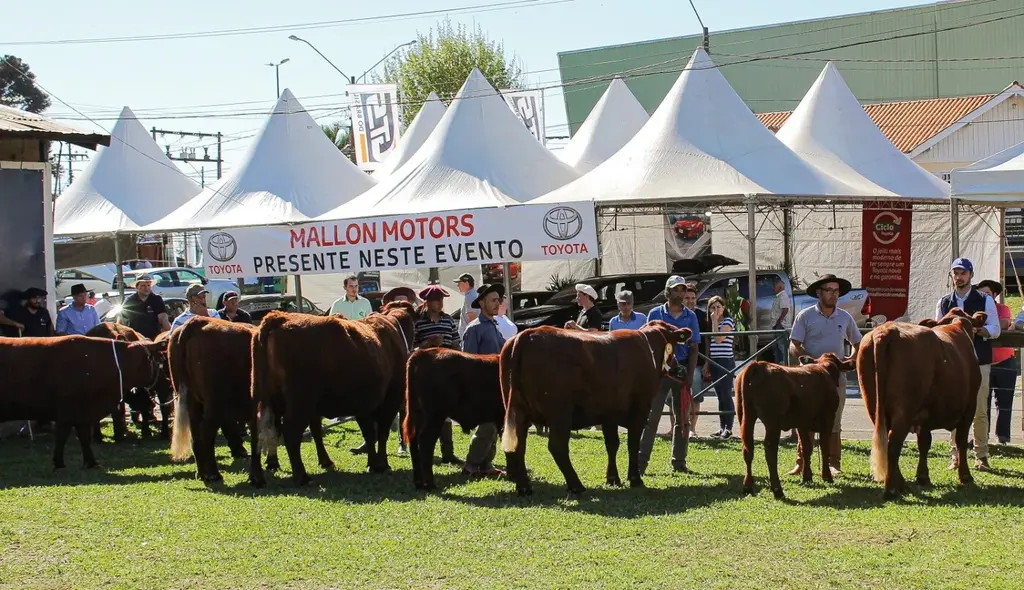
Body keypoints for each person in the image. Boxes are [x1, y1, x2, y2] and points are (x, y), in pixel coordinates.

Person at [789, 274, 862, 477]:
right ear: (819, 293)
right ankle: (801, 463)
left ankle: (833, 463)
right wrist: (804, 357)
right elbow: (794, 343)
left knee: (834, 421)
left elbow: (858, 343)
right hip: (810, 379)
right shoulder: (805, 315)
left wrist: (851, 360)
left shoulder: (845, 317)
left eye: (836, 290)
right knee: (805, 419)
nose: (833, 294)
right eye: (829, 290)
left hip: (835, 378)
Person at [937, 258, 1000, 471]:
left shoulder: (984, 299)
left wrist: (978, 330)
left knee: (980, 410)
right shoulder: (944, 302)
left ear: (971, 275)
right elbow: (937, 331)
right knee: (954, 409)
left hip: (979, 360)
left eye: (962, 273)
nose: (958, 277)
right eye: (955, 273)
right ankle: (955, 455)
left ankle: (981, 455)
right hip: (953, 364)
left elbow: (995, 329)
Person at [638, 275, 700, 475]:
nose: (680, 293)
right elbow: (646, 345)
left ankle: (679, 462)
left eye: (682, 290)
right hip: (659, 373)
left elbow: (694, 347)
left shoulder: (691, 316)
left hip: (680, 371)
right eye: (676, 290)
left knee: (683, 419)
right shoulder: (655, 313)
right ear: (668, 292)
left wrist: (690, 375)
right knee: (651, 417)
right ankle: (641, 463)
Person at [409, 285, 463, 465]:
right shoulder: (418, 323)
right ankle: (425, 451)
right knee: (426, 413)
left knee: (446, 411)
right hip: (426, 373)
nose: (439, 303)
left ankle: (448, 452)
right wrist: (427, 343)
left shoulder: (448, 320)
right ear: (427, 301)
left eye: (441, 300)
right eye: (436, 300)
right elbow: (412, 350)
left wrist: (456, 350)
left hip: (447, 371)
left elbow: (457, 342)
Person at [461, 283, 507, 477]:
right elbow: (468, 360)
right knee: (487, 426)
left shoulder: (495, 326)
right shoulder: (475, 329)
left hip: (497, 384)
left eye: (498, 300)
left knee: (496, 426)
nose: (497, 303)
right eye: (493, 300)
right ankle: (471, 465)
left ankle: (486, 464)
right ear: (482, 303)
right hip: (482, 386)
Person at [976, 280, 1015, 446]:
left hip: (1005, 361)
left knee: (1005, 402)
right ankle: (982, 438)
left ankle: (1003, 439)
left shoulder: (1002, 309)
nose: (984, 296)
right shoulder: (975, 309)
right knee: (983, 403)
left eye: (987, 293)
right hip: (984, 363)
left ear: (994, 295)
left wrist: (985, 326)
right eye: (982, 293)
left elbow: (1005, 323)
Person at [706, 295, 738, 439]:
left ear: (724, 308)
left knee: (726, 394)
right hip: (715, 361)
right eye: (713, 307)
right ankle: (721, 426)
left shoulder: (728, 321)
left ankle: (729, 428)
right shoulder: (712, 323)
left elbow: (719, 339)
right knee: (719, 396)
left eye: (718, 307)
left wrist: (714, 322)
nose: (716, 310)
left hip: (726, 361)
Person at [685, 284, 709, 439]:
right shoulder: (678, 314)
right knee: (676, 396)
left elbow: (707, 339)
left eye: (693, 298)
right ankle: (677, 426)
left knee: (696, 395)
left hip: (699, 362)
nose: (691, 301)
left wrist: (707, 361)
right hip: (679, 361)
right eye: (687, 298)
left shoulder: (701, 315)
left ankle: (692, 428)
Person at [120, 274, 171, 339]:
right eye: (143, 286)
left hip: (154, 338)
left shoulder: (156, 299)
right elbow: (121, 321)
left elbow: (163, 319)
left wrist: (170, 334)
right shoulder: (130, 301)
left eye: (148, 285)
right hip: (136, 339)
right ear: (137, 287)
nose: (146, 288)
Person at [770, 278, 791, 364]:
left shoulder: (782, 296)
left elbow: (785, 309)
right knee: (778, 346)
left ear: (780, 287)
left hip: (781, 325)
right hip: (777, 324)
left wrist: (779, 321)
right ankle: (780, 362)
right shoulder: (779, 296)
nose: (774, 288)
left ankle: (786, 362)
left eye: (775, 286)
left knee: (782, 346)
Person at [454, 273, 478, 337]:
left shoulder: (470, 297)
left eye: (459, 283)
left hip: (469, 336)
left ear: (467, 284)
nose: (458, 285)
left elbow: (472, 318)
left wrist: (471, 337)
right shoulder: (473, 295)